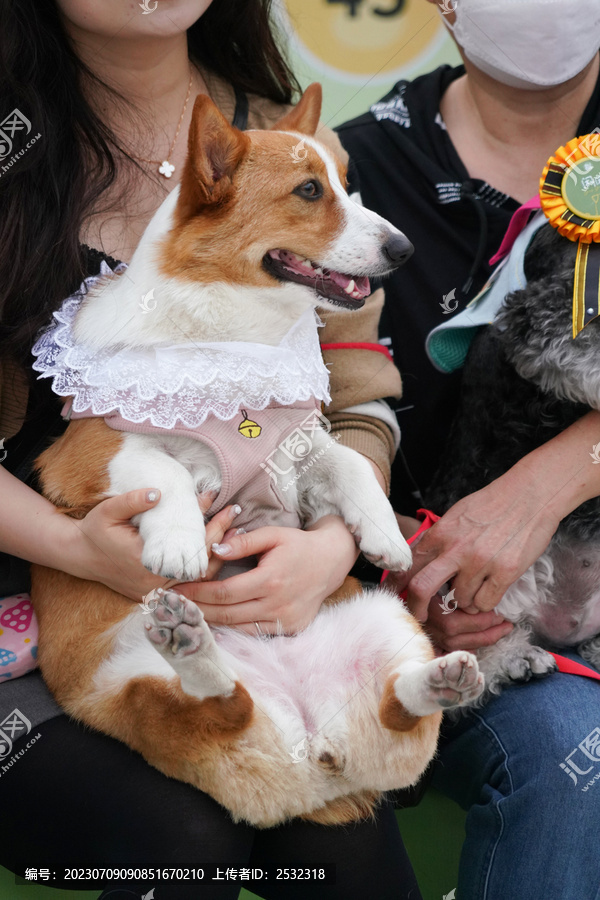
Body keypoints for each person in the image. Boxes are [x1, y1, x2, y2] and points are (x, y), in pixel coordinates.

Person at [0, 2, 420, 897]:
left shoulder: (289, 137)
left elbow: (356, 393)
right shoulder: (11, 148)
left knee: (342, 845)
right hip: (37, 615)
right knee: (178, 843)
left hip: (261, 603)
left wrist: (332, 546)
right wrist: (78, 547)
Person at [337, 0, 600, 897]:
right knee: (576, 756)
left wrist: (557, 476)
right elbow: (285, 426)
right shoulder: (350, 170)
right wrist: (393, 594)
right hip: (432, 621)